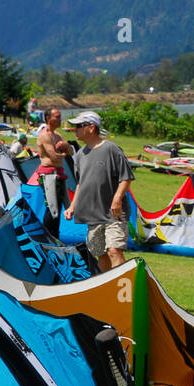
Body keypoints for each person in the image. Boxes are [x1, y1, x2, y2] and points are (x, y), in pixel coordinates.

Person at [63, 111, 134, 271]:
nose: (75, 130)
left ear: (91, 128)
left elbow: (126, 177)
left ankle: (119, 289)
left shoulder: (111, 149)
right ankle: (106, 290)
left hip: (114, 213)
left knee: (114, 251)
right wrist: (72, 207)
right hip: (92, 215)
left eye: (79, 126)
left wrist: (117, 199)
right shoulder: (80, 155)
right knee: (101, 255)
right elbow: (81, 183)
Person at [30, 107, 73, 225]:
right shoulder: (45, 135)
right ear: (48, 118)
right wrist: (65, 152)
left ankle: (55, 236)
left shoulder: (57, 135)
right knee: (52, 207)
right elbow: (54, 157)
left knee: (59, 206)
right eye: (57, 117)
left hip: (59, 173)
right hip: (48, 174)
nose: (60, 119)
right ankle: (49, 235)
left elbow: (71, 152)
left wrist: (65, 145)